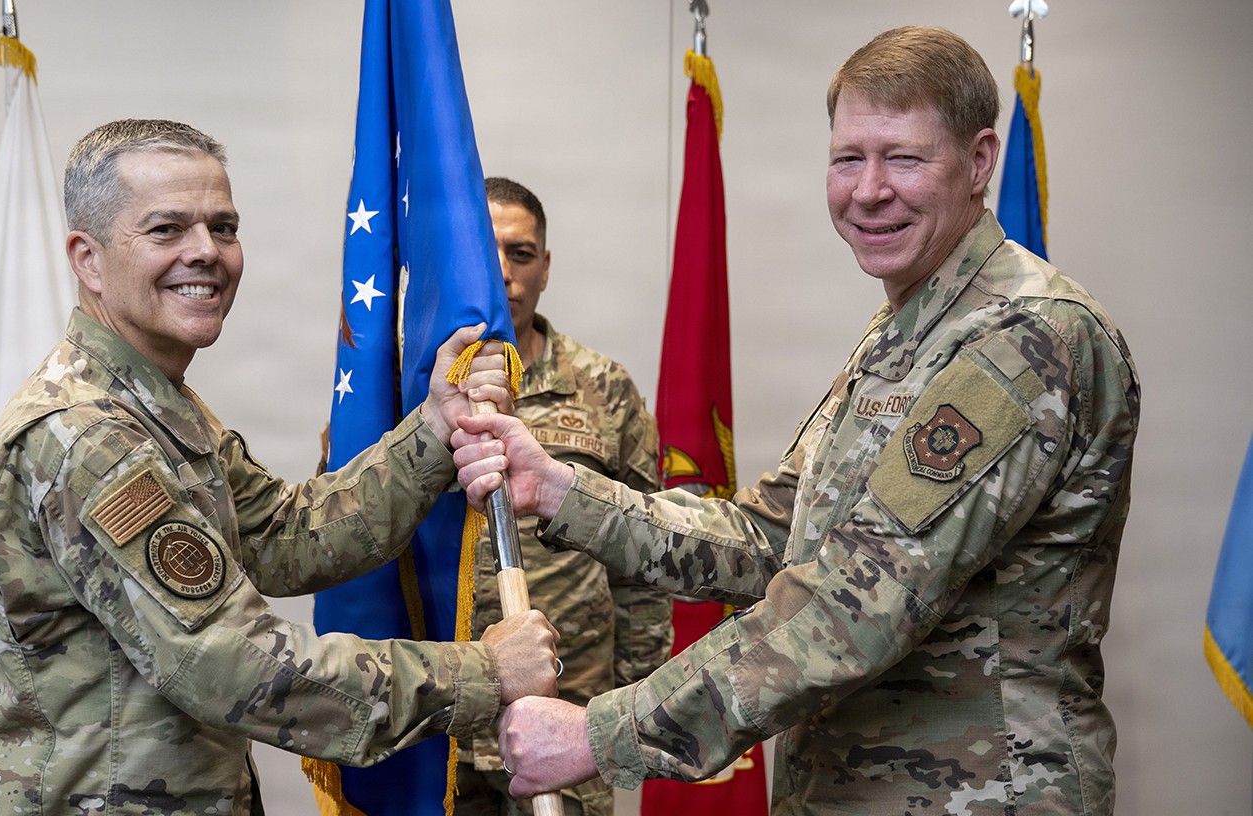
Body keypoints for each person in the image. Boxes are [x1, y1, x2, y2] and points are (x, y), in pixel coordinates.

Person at [453, 27, 1139, 815]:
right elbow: (771, 540)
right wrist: (564, 493)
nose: (870, 190)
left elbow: (856, 607)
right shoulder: (901, 337)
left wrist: (598, 735)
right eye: (849, 159)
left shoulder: (1024, 338)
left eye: (905, 158)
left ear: (981, 161)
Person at [0, 119, 560, 816]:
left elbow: (288, 537)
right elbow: (232, 664)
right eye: (166, 229)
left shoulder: (156, 404)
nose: (206, 254)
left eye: (223, 227)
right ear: (88, 258)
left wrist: (434, 428)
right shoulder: (86, 433)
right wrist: (482, 674)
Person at [451, 178, 673, 816]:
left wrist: (626, 710)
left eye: (521, 254)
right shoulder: (409, 388)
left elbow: (644, 562)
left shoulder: (603, 387)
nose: (502, 273)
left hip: (568, 716)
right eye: (483, 251)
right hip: (440, 725)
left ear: (545, 268)